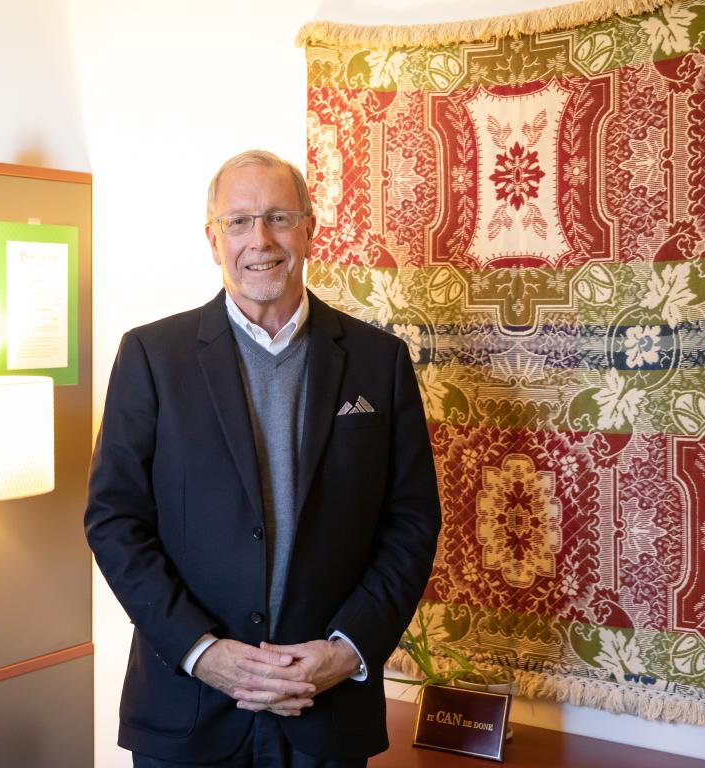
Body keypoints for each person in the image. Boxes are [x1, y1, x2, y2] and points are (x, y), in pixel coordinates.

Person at [84, 150, 440, 766]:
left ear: (310, 228)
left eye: (279, 217)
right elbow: (114, 521)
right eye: (240, 221)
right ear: (211, 238)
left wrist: (348, 649)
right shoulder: (150, 356)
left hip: (325, 709)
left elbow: (411, 522)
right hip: (188, 709)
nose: (261, 240)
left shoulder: (378, 361)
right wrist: (201, 650)